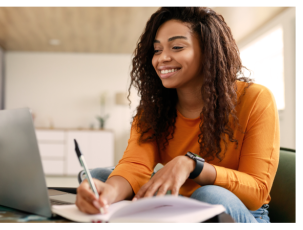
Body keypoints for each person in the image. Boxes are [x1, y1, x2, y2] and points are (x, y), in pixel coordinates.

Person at [75, 6, 279, 223]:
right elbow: (135, 165)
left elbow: (257, 192)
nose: (162, 58)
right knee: (99, 177)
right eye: (156, 50)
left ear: (208, 51)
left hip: (241, 211)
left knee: (208, 195)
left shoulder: (255, 98)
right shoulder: (153, 111)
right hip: (179, 203)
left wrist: (193, 166)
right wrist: (107, 195)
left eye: (177, 46)